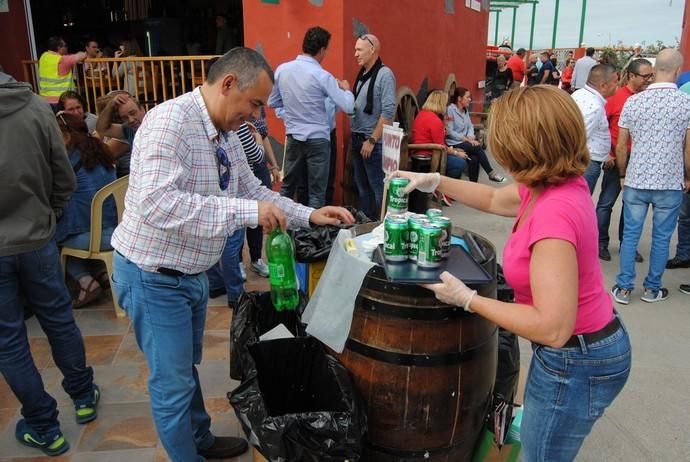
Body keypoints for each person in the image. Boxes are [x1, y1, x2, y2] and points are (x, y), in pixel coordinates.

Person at [109, 47, 354, 461]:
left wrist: (311, 215)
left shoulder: (226, 133)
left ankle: (200, 439)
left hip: (189, 273)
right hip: (153, 275)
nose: (259, 116)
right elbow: (157, 203)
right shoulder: (170, 121)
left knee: (186, 367)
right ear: (228, 84)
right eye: (256, 103)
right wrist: (248, 211)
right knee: (171, 383)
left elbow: (253, 191)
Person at [394, 84, 631, 462]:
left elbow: (552, 327)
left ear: (525, 147)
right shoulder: (551, 185)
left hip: (576, 360)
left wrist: (468, 299)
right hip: (581, 349)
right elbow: (491, 198)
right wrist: (434, 181)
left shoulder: (554, 213)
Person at [0, 71, 100, 457]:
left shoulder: (34, 106)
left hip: (32, 234)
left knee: (9, 341)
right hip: (38, 237)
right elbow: (64, 174)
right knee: (58, 320)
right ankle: (82, 395)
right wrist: (51, 213)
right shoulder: (36, 108)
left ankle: (45, 426)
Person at [612, 48, 690, 305]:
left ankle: (623, 288)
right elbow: (688, 148)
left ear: (654, 72)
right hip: (670, 181)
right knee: (661, 236)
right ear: (678, 71)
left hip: (636, 178)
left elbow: (622, 145)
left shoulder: (634, 101)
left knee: (631, 234)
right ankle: (652, 289)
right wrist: (687, 176)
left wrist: (622, 174)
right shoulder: (686, 103)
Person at [269, 26, 354, 208]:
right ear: (322, 50)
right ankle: (313, 235)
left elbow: (272, 102)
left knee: (288, 188)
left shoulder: (282, 70)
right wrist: (347, 89)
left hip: (293, 136)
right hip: (318, 140)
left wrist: (293, 109)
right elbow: (348, 106)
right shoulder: (322, 76)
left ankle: (280, 229)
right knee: (317, 194)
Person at [54, 112, 118, 307]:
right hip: (116, 231)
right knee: (79, 227)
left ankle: (85, 281)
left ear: (66, 136)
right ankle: (101, 272)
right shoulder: (102, 152)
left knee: (53, 238)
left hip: (95, 238)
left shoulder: (69, 161)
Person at [598, 59, 654, 263]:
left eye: (651, 76)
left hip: (639, 160)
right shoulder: (616, 97)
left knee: (632, 206)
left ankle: (627, 244)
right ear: (631, 76)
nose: (650, 80)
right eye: (645, 76)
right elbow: (601, 127)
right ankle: (600, 243)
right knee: (606, 203)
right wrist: (609, 153)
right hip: (616, 157)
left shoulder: (648, 99)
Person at [350, 33, 397, 220]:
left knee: (378, 189)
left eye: (359, 50)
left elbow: (388, 111)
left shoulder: (385, 74)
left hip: (372, 143)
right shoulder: (362, 74)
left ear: (372, 50)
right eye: (355, 49)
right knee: (362, 188)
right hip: (357, 138)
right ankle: (368, 225)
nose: (355, 54)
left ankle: (382, 228)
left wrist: (372, 139)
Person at [411, 89, 468, 205]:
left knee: (458, 159)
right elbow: (441, 146)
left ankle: (442, 190)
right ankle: (441, 189)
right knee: (461, 163)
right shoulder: (435, 120)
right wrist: (457, 153)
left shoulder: (421, 114)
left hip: (419, 151)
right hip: (430, 154)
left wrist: (454, 149)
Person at [572, 64, 619, 195]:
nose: (617, 85)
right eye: (615, 81)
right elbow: (577, 137)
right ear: (603, 86)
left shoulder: (580, 94)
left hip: (586, 159)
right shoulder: (594, 106)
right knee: (580, 202)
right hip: (587, 163)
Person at [445, 87, 505, 183]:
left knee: (474, 158)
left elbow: (470, 126)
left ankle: (473, 185)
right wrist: (466, 139)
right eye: (467, 97)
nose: (470, 99)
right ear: (459, 98)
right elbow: (450, 131)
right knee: (476, 147)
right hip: (454, 143)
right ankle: (491, 173)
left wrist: (470, 136)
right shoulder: (450, 110)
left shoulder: (465, 110)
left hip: (465, 142)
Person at [96, 91, 146, 177]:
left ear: (142, 109)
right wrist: (110, 105)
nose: (131, 120)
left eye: (133, 113)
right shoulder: (129, 129)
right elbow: (101, 129)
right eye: (125, 118)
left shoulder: (156, 124)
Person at [38, 36, 87, 107]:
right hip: (61, 100)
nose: (67, 48)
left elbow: (68, 57)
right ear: (59, 48)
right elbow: (83, 55)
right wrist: (81, 53)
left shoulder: (44, 56)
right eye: (65, 46)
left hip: (44, 100)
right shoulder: (62, 60)